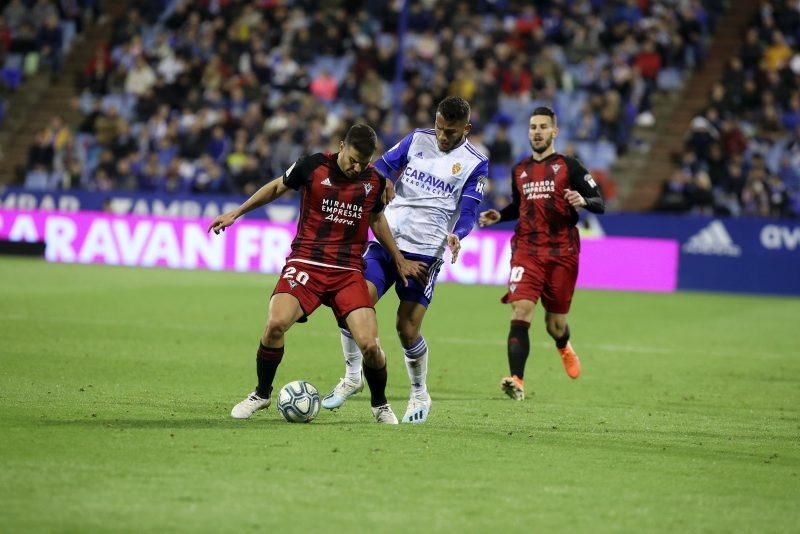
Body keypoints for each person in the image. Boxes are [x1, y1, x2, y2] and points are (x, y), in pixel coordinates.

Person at [208, 124, 427, 424]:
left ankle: (380, 405)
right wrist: (237, 212)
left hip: (348, 271)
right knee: (275, 324)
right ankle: (261, 394)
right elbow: (275, 187)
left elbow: (377, 221)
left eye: (363, 162)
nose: (356, 167)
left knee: (371, 346)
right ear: (341, 145)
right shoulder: (312, 166)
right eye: (352, 159)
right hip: (306, 263)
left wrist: (398, 258)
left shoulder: (374, 181)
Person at [320, 96, 489, 423]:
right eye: (439, 128)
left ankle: (418, 392)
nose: (442, 136)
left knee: (406, 330)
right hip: (389, 240)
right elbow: (381, 166)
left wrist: (460, 234)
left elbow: (468, 212)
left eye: (450, 132)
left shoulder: (475, 162)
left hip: (426, 251)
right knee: (352, 305)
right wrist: (383, 183)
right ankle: (352, 376)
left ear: (466, 129)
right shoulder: (417, 138)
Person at [478, 107, 605, 401]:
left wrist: (582, 199)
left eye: (543, 127)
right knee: (521, 309)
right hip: (527, 250)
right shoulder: (519, 170)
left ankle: (563, 345)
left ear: (554, 132)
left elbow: (600, 202)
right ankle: (517, 380)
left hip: (562, 251)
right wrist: (501, 215)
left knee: (554, 323)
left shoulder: (569, 166)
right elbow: (518, 206)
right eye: (533, 127)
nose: (537, 131)